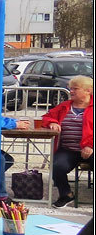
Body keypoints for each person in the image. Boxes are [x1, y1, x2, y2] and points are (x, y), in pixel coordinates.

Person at [40, 75, 93, 207]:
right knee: (57, 166)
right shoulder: (64, 106)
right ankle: (66, 194)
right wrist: (52, 122)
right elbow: (46, 117)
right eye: (70, 88)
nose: (71, 91)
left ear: (88, 91)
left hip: (91, 149)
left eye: (75, 89)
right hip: (68, 150)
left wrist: (90, 146)